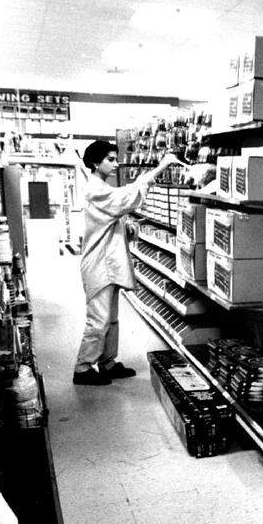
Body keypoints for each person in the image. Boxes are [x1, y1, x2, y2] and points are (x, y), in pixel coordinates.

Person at [73, 142, 181, 385]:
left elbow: (112, 216)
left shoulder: (100, 187)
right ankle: (82, 368)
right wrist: (160, 167)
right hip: (99, 265)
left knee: (111, 319)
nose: (116, 164)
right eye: (111, 159)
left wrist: (126, 227)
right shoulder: (95, 189)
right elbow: (127, 197)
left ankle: (107, 363)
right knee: (98, 319)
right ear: (95, 163)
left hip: (107, 264)